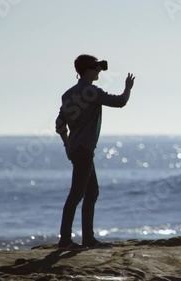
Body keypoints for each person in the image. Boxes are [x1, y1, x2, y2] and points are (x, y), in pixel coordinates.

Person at [55, 54, 135, 249]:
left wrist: (67, 144)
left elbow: (59, 124)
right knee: (77, 194)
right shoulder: (91, 92)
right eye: (96, 67)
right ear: (88, 70)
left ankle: (85, 238)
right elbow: (120, 102)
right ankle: (69, 240)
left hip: (76, 148)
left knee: (91, 192)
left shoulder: (67, 94)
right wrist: (128, 88)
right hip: (84, 149)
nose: (99, 70)